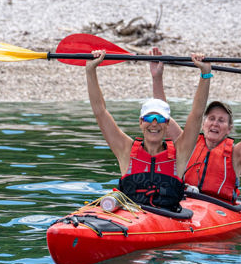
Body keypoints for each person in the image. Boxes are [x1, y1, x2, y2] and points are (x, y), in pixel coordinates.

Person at [149, 49, 241, 203]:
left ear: (229, 129)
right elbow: (164, 115)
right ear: (203, 124)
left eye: (221, 120)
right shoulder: (186, 144)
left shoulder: (236, 155)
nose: (215, 123)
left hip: (219, 211)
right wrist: (157, 77)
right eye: (211, 118)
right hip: (185, 204)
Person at [85, 49, 212, 209]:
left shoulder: (180, 152)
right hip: (130, 220)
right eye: (148, 118)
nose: (154, 123)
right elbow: (100, 112)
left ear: (166, 125)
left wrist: (205, 74)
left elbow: (197, 114)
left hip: (167, 222)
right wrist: (90, 71)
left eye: (159, 119)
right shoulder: (125, 149)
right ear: (141, 122)